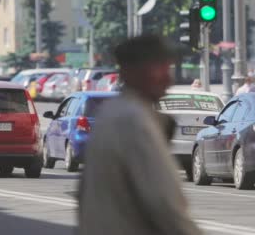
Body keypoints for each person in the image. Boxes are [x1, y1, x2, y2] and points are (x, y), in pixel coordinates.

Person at [78, 35, 202, 235]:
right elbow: (164, 204)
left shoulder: (113, 112)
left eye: (167, 68)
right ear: (130, 72)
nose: (167, 78)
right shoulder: (132, 120)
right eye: (158, 68)